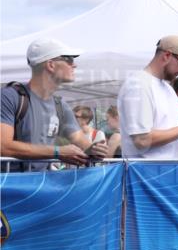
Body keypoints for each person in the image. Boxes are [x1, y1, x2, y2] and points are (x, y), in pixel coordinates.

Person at [1, 38, 109, 170]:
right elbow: (3, 146)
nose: (74, 65)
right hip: (10, 187)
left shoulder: (60, 106)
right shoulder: (10, 96)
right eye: (69, 59)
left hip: (42, 185)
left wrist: (95, 150)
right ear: (51, 65)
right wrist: (57, 152)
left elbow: (83, 143)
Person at [117, 36, 178, 159]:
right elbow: (142, 140)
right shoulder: (138, 85)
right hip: (145, 175)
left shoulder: (167, 88)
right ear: (167, 56)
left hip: (165, 173)